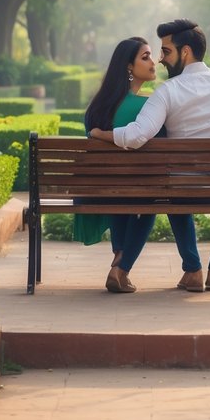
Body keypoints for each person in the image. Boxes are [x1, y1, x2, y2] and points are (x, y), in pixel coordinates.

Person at [89, 19, 210, 293]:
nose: (161, 60)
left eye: (166, 51)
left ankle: (193, 269)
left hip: (184, 188)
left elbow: (138, 135)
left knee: (172, 189)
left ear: (185, 52)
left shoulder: (167, 92)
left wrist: (103, 135)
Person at [80, 37, 161, 294]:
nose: (153, 61)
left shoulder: (97, 107)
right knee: (148, 204)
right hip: (138, 188)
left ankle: (119, 261)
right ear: (129, 66)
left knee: (117, 191)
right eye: (145, 57)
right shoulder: (147, 106)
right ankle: (121, 267)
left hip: (98, 190)